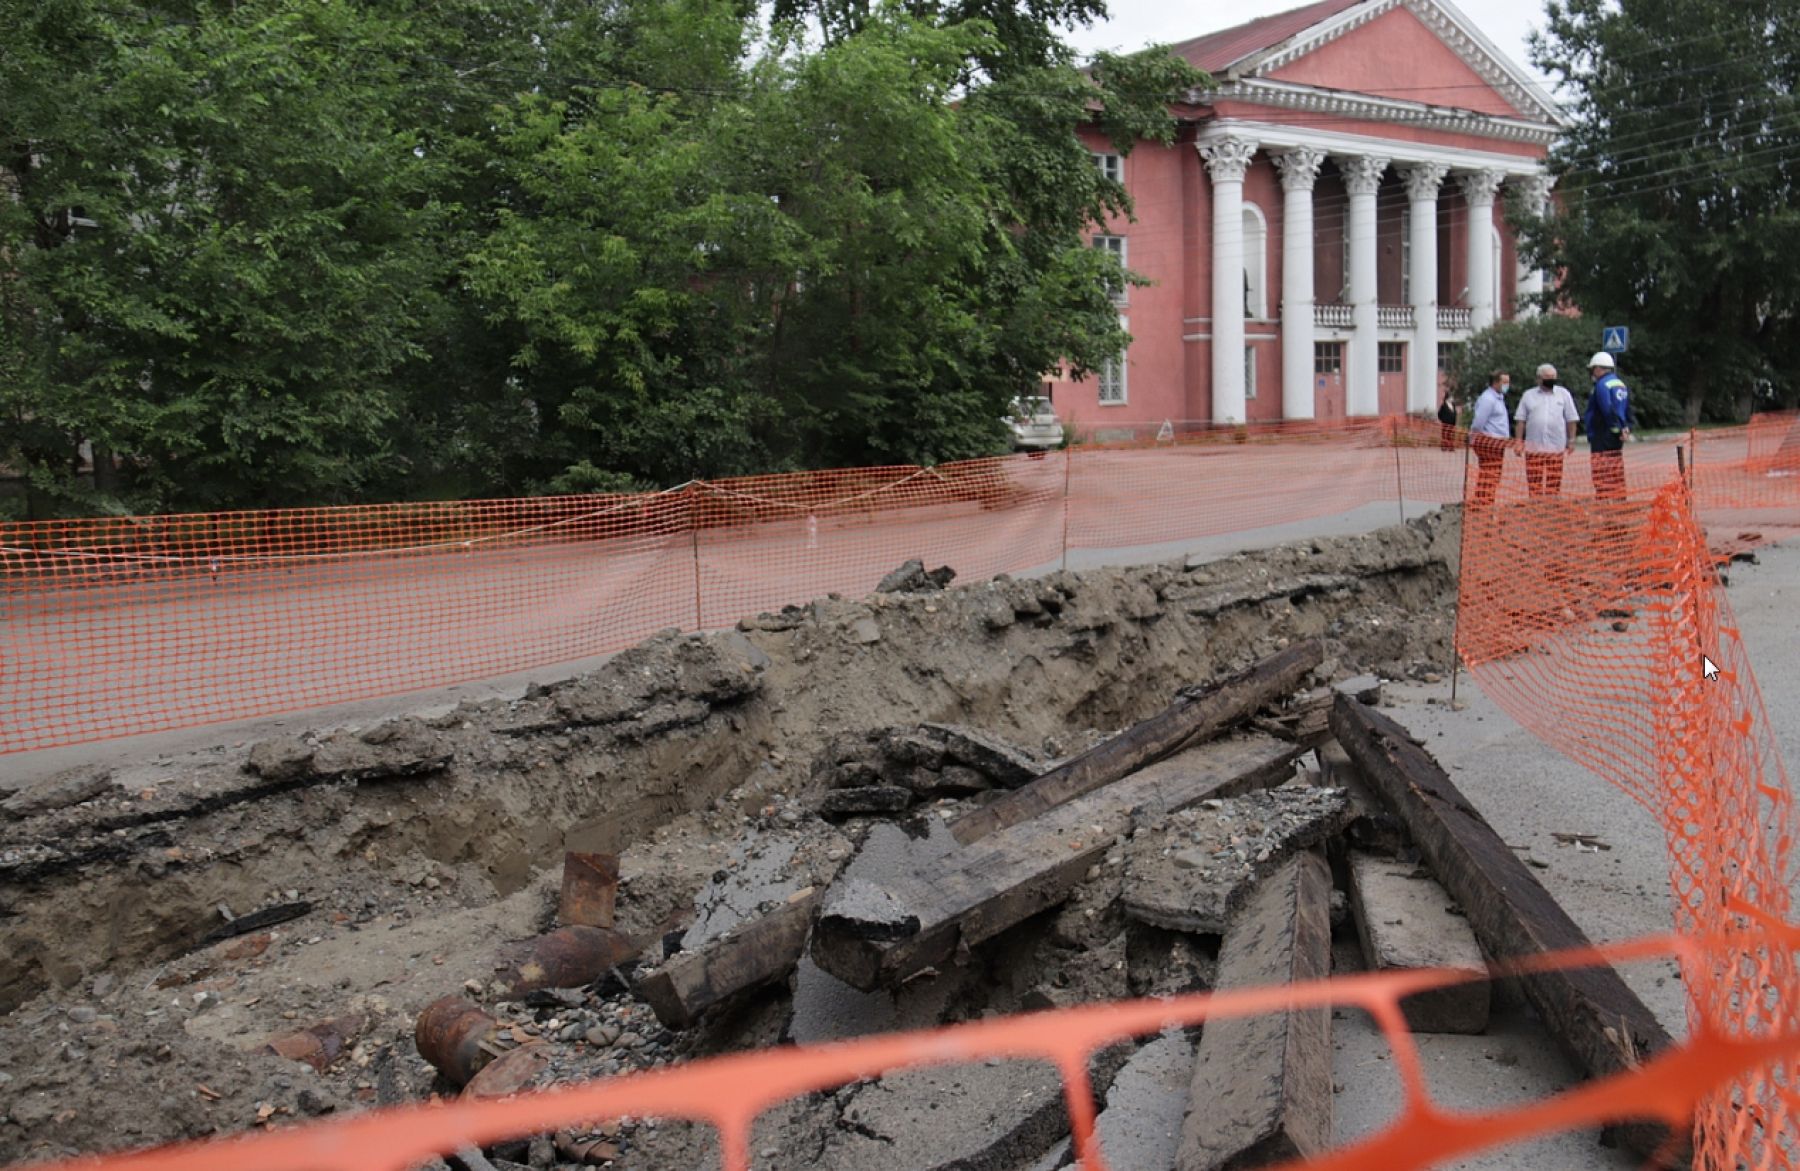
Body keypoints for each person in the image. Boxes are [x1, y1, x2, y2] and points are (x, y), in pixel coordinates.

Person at [1513, 363, 1579, 497]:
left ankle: (1551, 509)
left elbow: (1571, 419)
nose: (1550, 380)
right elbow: (1520, 421)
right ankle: (1535, 507)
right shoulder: (1528, 395)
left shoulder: (1563, 394)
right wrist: (1518, 441)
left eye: (1553, 377)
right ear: (1538, 379)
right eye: (1547, 377)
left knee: (1554, 484)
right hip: (1534, 448)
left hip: (1556, 447)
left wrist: (1571, 440)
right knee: (1534, 483)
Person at [1584, 352, 1634, 499]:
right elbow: (1627, 408)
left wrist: (1616, 427)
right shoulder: (1620, 383)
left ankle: (1604, 497)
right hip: (1617, 434)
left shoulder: (1601, 385)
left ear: (1599, 368)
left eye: (1593, 369)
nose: (1592, 372)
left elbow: (1607, 408)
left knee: (1601, 468)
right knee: (1616, 466)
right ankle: (1619, 497)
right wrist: (1626, 427)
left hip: (1602, 433)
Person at [1469, 370, 1511, 506]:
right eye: (1504, 382)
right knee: (1489, 473)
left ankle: (1486, 500)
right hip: (1489, 443)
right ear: (1495, 382)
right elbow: (1478, 422)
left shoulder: (1498, 398)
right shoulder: (1488, 399)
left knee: (1493, 474)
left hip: (1497, 443)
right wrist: (1474, 439)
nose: (1507, 385)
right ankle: (1483, 502)